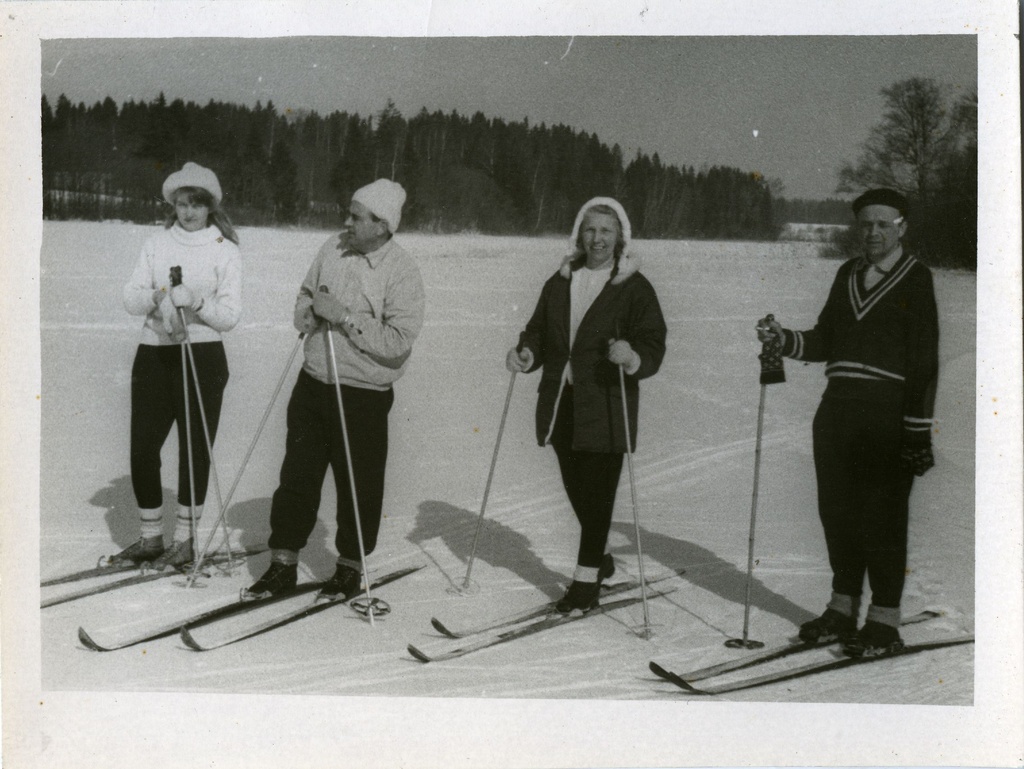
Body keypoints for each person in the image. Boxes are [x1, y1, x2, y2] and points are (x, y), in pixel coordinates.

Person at [756, 188, 939, 657]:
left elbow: (923, 362)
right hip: (836, 412)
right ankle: (842, 609)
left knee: (882, 518)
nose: (873, 233)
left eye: (884, 224)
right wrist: (786, 340)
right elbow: (826, 340)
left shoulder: (916, 278)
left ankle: (884, 619)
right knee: (837, 514)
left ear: (902, 227)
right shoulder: (847, 274)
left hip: (885, 416)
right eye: (866, 224)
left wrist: (917, 430)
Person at [244, 179, 425, 602]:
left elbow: (399, 342)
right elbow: (307, 293)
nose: (347, 222)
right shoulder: (333, 248)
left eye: (357, 217)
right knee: (297, 478)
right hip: (314, 382)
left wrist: (344, 317)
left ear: (382, 226)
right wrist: (305, 314)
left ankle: (348, 568)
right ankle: (282, 564)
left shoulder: (401, 271)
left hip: (362, 393)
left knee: (357, 484)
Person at [506, 197, 667, 614]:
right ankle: (601, 556)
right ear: (580, 233)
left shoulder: (633, 287)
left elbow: (653, 343)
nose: (597, 239)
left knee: (597, 496)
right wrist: (527, 353)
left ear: (620, 238)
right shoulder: (561, 281)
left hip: (607, 404)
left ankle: (585, 581)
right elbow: (539, 331)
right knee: (579, 490)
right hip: (562, 401)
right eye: (590, 230)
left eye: (606, 231)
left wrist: (631, 356)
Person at [113, 162, 242, 570]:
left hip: (202, 356)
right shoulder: (156, 244)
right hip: (154, 352)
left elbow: (230, 316)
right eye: (181, 204)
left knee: (193, 450)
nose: (188, 212)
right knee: (143, 448)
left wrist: (197, 302)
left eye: (197, 204)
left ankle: (185, 540)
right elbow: (130, 298)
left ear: (210, 207)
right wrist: (158, 296)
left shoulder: (225, 250)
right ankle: (152, 537)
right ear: (173, 205)